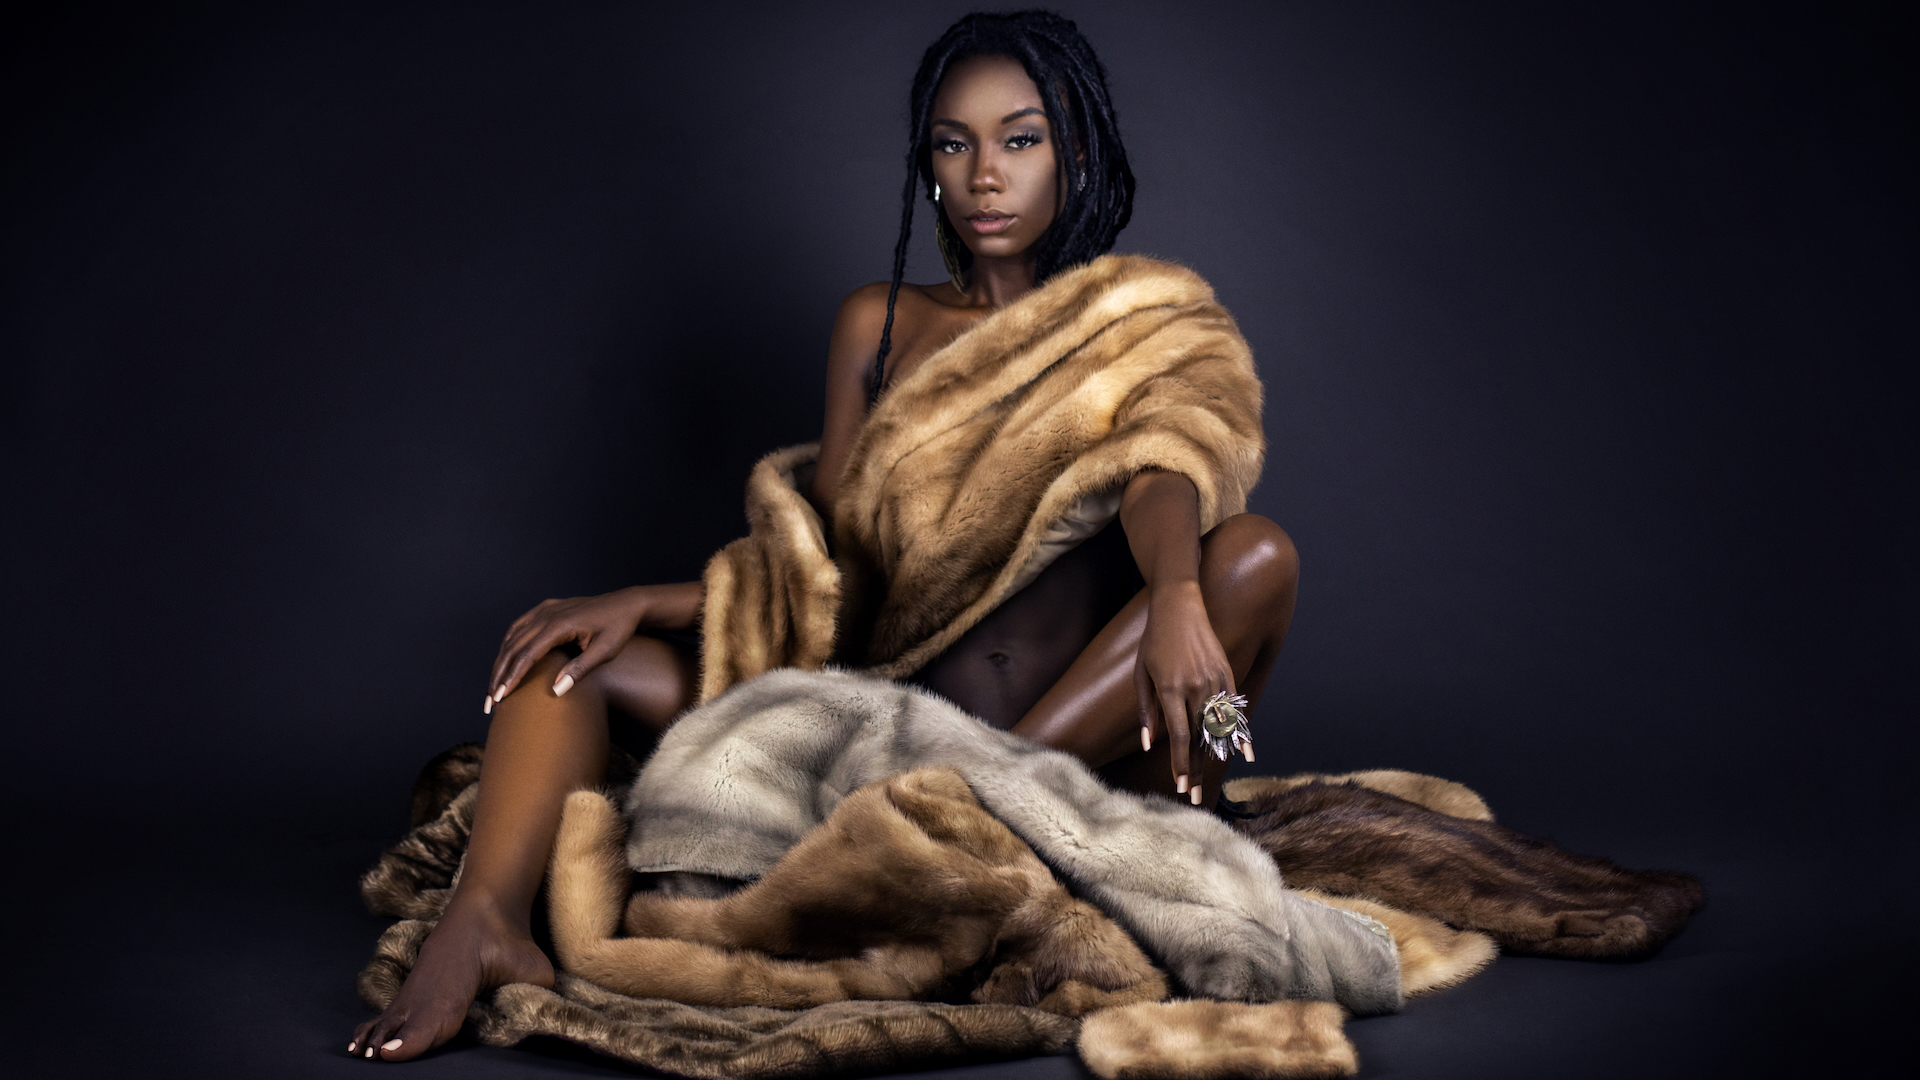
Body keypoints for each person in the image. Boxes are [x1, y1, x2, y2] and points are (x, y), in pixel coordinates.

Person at [349, 10, 1299, 1063]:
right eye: (955, 141)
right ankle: (484, 922)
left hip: (1064, 739)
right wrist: (645, 603)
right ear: (928, 162)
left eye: (1021, 139)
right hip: (881, 715)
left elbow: (1169, 468)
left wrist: (1172, 593)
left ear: (1077, 154)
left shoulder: (1141, 318)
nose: (986, 172)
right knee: (567, 665)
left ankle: (1007, 803)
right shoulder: (877, 324)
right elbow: (831, 567)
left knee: (1252, 557)